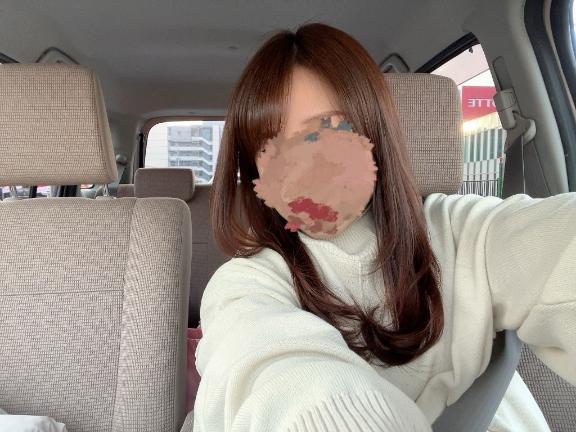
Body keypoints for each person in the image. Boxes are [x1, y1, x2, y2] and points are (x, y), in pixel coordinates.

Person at [192, 23, 575, 431]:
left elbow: (556, 247)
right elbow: (266, 369)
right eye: (270, 146)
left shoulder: (466, 233)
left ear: (373, 135)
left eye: (327, 130)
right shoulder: (246, 285)